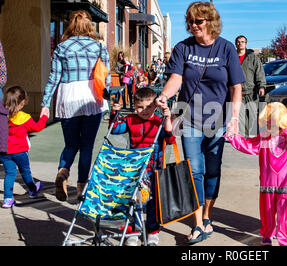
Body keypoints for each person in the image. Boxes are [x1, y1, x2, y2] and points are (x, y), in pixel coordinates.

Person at [155, 1, 245, 244]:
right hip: (191, 118)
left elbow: (236, 88)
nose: (193, 25)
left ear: (210, 22)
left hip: (218, 119)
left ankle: (207, 215)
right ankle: (197, 224)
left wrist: (234, 119)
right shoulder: (182, 48)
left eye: (198, 21)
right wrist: (164, 96)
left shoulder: (226, 49)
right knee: (194, 170)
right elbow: (176, 78)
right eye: (190, 21)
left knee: (213, 171)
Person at [40, 10, 111, 202]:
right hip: (91, 97)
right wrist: (111, 99)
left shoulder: (62, 48)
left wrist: (45, 103)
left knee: (71, 143)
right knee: (87, 145)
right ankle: (81, 188)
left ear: (71, 25)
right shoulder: (99, 48)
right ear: (90, 26)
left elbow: (54, 78)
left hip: (68, 97)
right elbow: (106, 77)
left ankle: (63, 172)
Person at [224, 102, 287, 246]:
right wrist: (232, 136)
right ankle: (267, 235)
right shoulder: (264, 138)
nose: (266, 126)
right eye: (266, 122)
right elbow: (247, 145)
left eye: (269, 122)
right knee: (267, 213)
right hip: (267, 186)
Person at [110, 87, 175, 246]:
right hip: (134, 168)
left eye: (148, 107)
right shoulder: (130, 120)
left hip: (153, 169)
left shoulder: (158, 121)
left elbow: (170, 138)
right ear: (134, 106)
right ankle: (133, 231)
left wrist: (167, 119)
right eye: (140, 107)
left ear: (155, 106)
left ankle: (152, 231)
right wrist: (114, 114)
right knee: (134, 201)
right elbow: (115, 130)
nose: (144, 111)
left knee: (153, 202)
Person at [1, 86, 49, 208]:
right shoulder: (24, 118)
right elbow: (38, 127)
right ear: (23, 102)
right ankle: (32, 190)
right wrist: (44, 117)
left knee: (10, 174)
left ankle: (7, 199)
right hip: (21, 152)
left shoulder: (3, 116)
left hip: (5, 153)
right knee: (25, 171)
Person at [235, 35, 266, 138]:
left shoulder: (253, 57)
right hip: (237, 94)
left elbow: (259, 73)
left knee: (252, 119)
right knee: (240, 119)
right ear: (236, 44)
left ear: (246, 44)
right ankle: (243, 141)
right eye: (238, 42)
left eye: (242, 42)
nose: (240, 44)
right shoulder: (232, 57)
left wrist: (261, 86)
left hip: (251, 93)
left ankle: (252, 140)